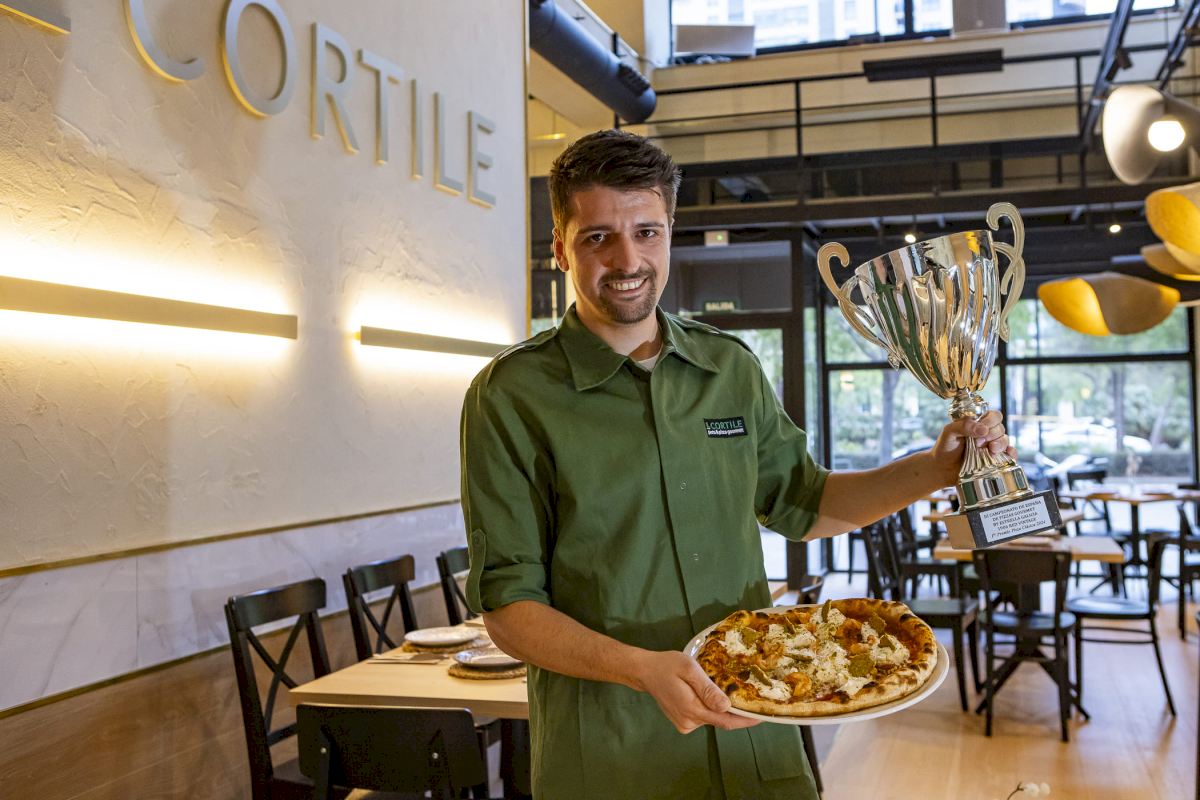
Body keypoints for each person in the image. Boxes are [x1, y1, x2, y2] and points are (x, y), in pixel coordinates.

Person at [459, 129, 1014, 799]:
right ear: (560, 249)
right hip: (610, 757)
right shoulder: (511, 395)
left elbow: (804, 504)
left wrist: (933, 469)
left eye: (646, 232)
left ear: (669, 235)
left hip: (759, 732)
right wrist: (643, 669)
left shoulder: (729, 368)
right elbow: (509, 607)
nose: (628, 259)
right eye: (598, 237)